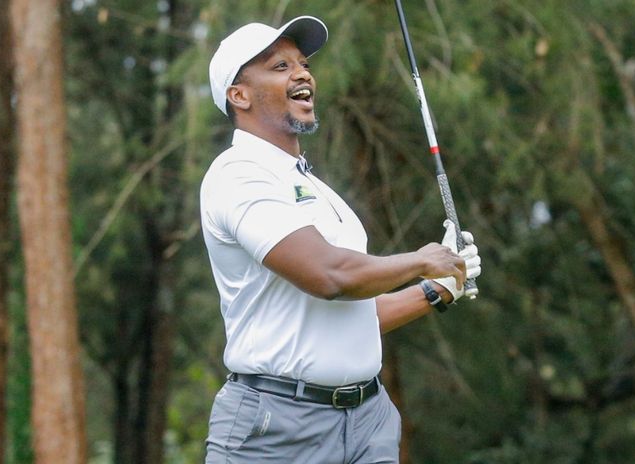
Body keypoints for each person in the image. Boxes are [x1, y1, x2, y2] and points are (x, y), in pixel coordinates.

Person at [200, 15, 482, 464]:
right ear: (240, 95)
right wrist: (422, 260)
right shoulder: (238, 175)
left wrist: (437, 289)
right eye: (279, 67)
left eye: (303, 63)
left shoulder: (315, 188)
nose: (302, 73)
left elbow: (350, 317)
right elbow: (329, 276)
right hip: (276, 428)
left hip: (367, 420)